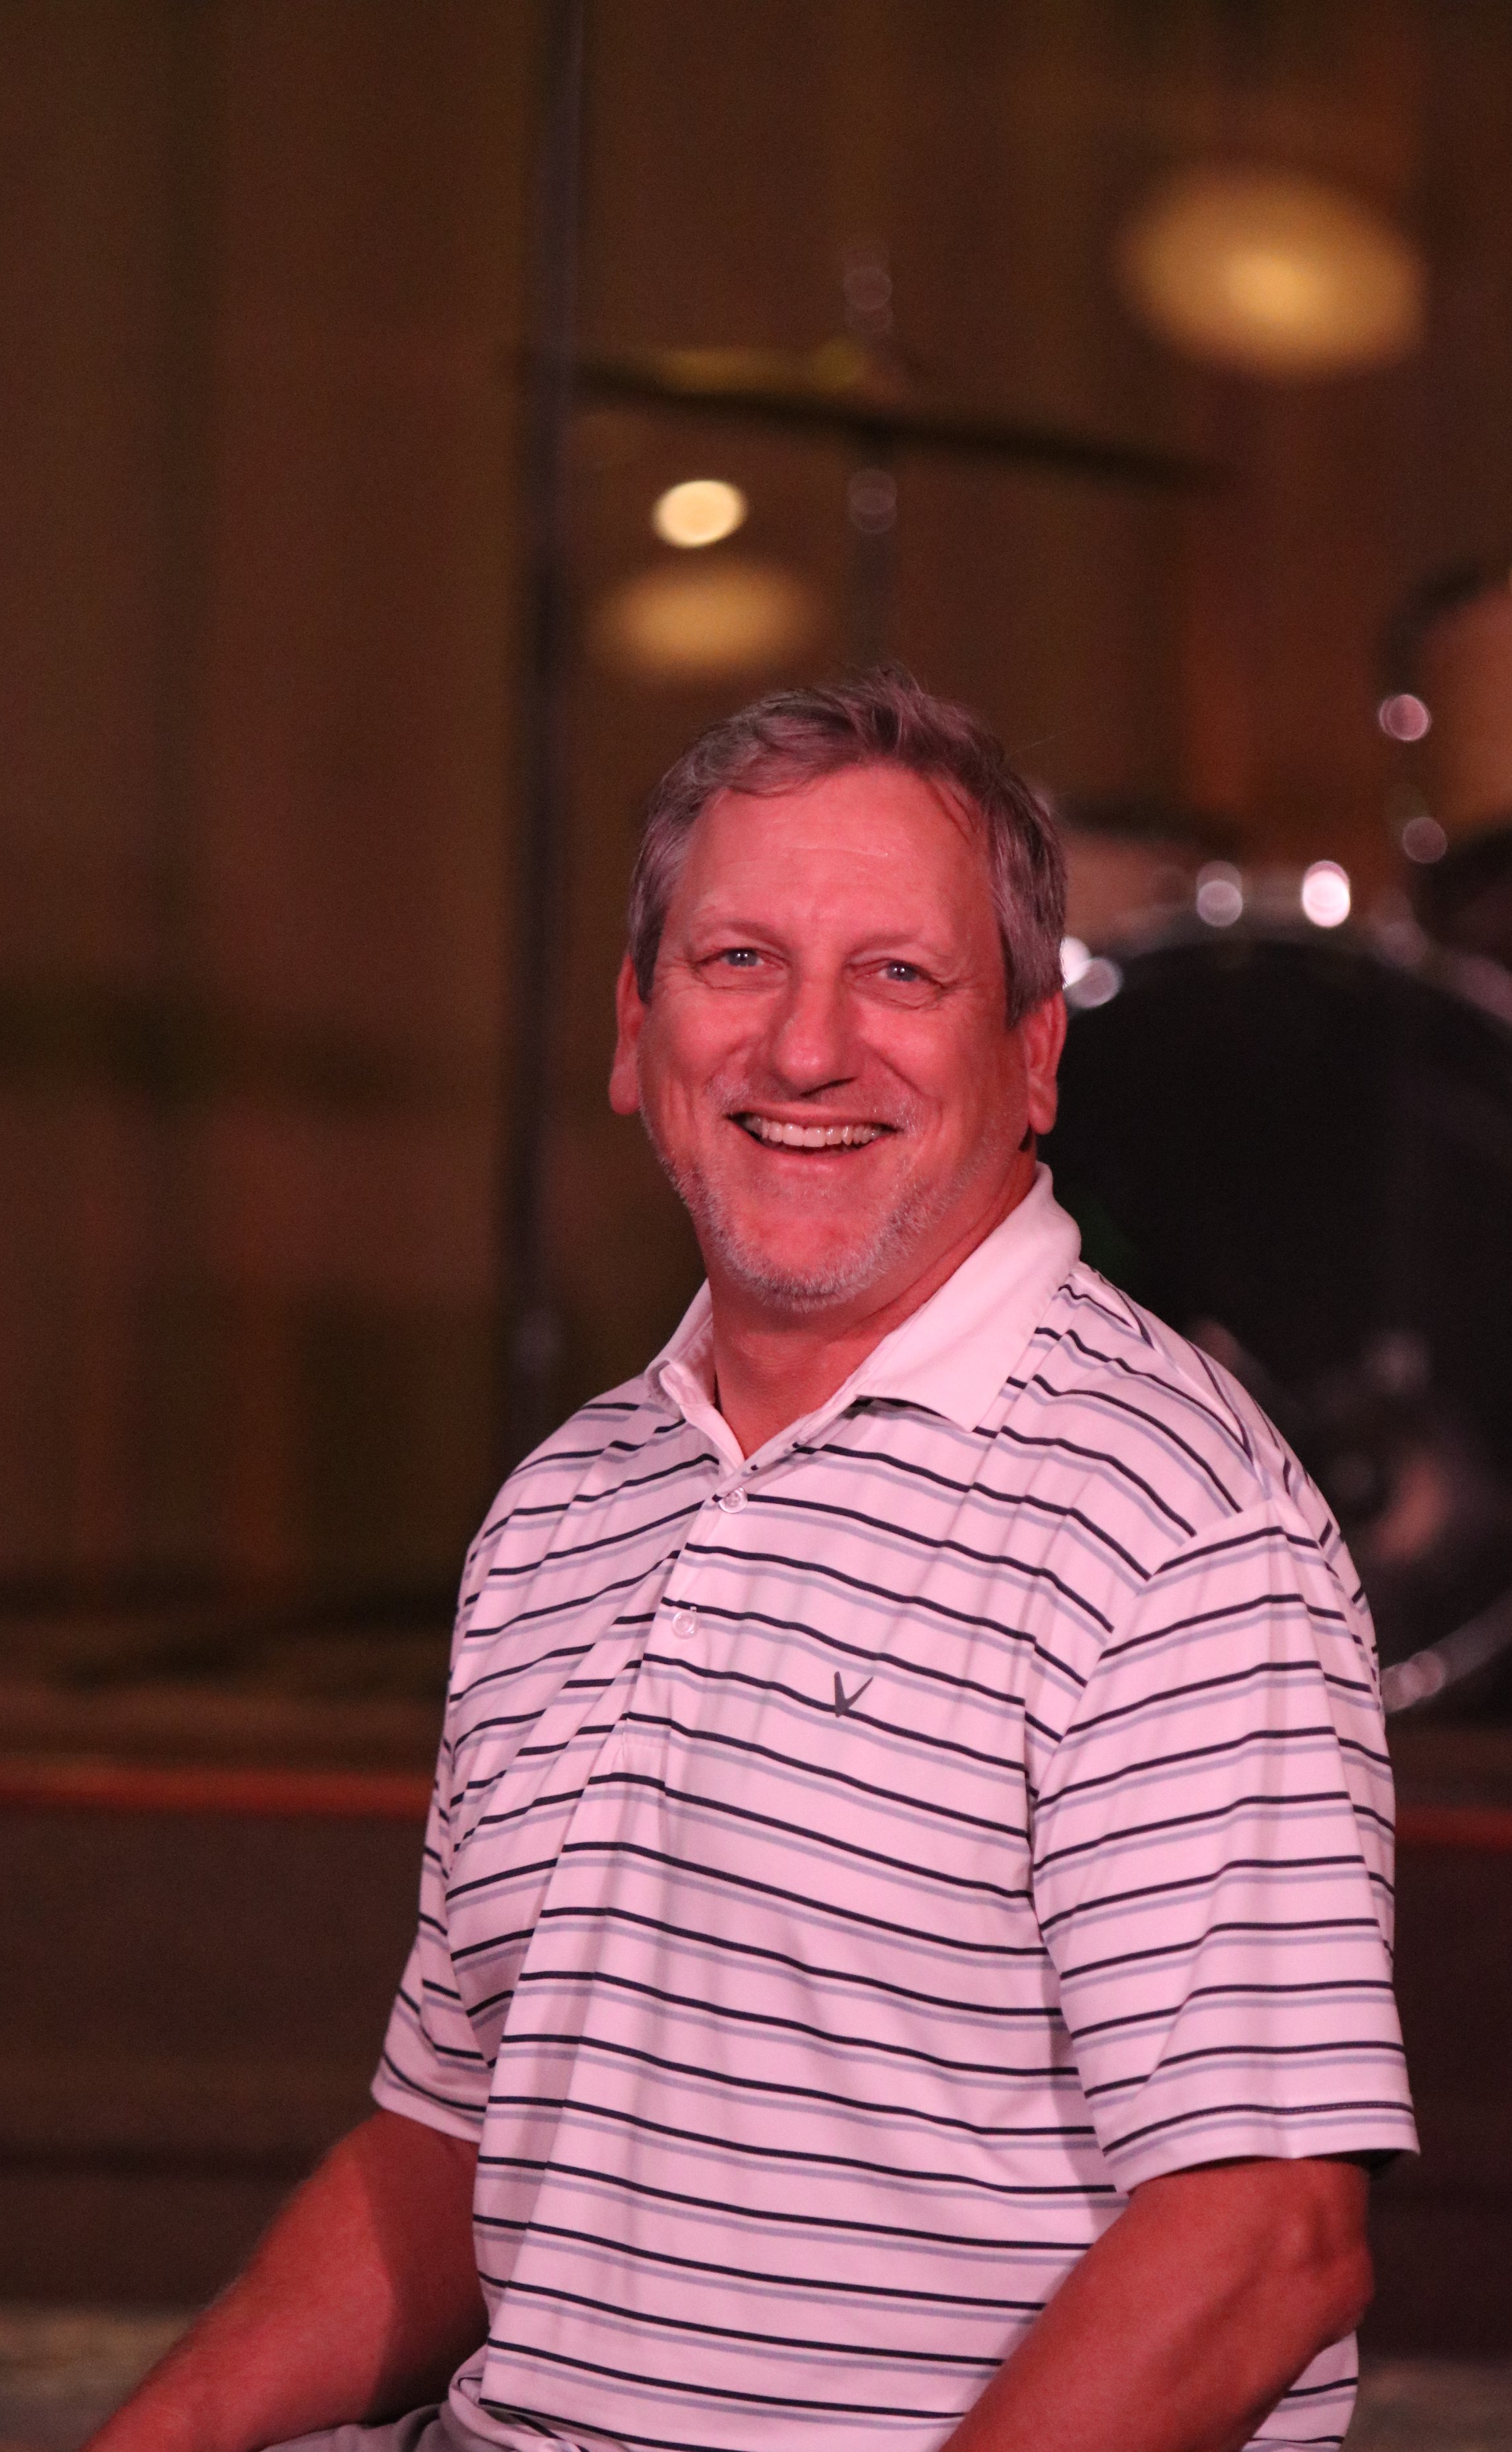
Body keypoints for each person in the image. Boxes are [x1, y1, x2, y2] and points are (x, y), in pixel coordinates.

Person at [89, 670, 1414, 2452]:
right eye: (739, 962)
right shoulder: (564, 1511)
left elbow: (1264, 2242)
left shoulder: (1169, 1530)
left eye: (899, 975)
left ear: (1033, 1056)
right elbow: (464, 2142)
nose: (804, 1051)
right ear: (633, 1033)